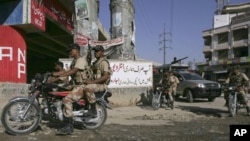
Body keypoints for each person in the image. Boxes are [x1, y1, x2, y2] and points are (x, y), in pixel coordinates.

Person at [55, 43, 92, 135]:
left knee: (67, 99)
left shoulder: (81, 60)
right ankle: (64, 116)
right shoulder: (74, 61)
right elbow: (67, 71)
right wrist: (54, 77)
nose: (70, 52)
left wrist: (59, 75)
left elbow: (73, 71)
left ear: (77, 50)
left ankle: (69, 126)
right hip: (74, 85)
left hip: (81, 86)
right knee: (58, 91)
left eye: (71, 50)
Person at [83, 45, 112, 117]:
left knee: (88, 88)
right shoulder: (96, 63)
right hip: (97, 84)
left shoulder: (103, 62)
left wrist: (91, 82)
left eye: (97, 51)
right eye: (95, 51)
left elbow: (105, 76)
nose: (95, 53)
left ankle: (93, 110)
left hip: (102, 85)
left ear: (102, 52)